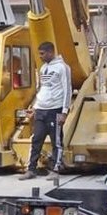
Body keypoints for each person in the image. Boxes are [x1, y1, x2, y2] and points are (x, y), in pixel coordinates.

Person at [21, 41, 72, 180]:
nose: (41, 56)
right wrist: (35, 107)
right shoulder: (43, 68)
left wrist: (64, 111)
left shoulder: (63, 68)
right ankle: (31, 169)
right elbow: (41, 88)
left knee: (56, 141)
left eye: (42, 54)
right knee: (36, 139)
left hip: (54, 110)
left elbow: (67, 89)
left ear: (50, 52)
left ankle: (56, 170)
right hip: (41, 110)